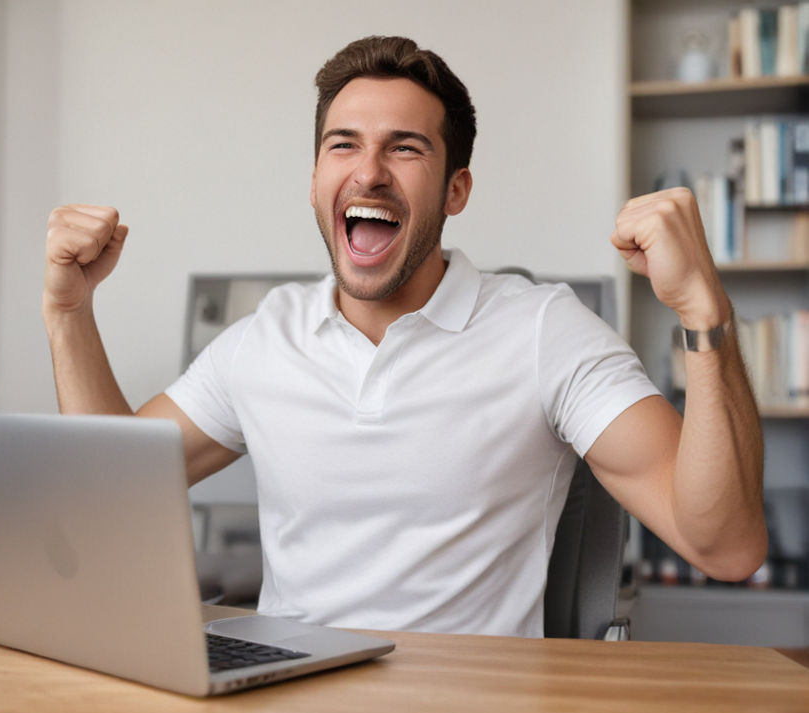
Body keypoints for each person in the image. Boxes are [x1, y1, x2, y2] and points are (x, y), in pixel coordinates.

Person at [43, 36, 766, 637]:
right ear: (316, 177)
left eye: (405, 149)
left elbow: (725, 543)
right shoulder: (264, 338)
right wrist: (70, 313)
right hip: (279, 693)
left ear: (456, 190)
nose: (368, 172)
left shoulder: (544, 331)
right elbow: (113, 494)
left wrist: (702, 310)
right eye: (343, 145)